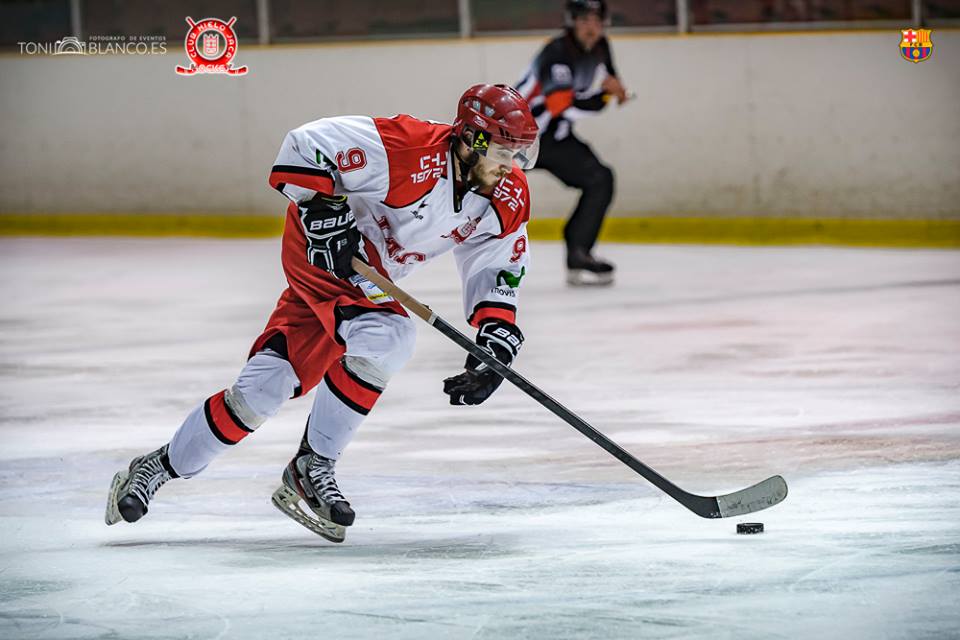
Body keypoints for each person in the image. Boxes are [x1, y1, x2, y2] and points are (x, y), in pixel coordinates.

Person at [105, 84, 538, 543]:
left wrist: (495, 340)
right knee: (388, 335)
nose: (510, 166)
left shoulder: (506, 195)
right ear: (470, 139)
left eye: (519, 154)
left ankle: (156, 466)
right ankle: (313, 466)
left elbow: (498, 267)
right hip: (321, 256)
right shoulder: (407, 147)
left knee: (261, 392)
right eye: (502, 151)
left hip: (360, 279)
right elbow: (307, 143)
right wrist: (324, 206)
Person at [515, 0, 629, 286]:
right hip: (518, 137)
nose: (591, 27)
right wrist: (605, 96)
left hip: (555, 138)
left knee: (600, 179)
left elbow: (611, 82)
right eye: (584, 20)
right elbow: (560, 106)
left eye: (596, 20)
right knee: (483, 192)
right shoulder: (556, 53)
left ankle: (579, 252)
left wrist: (616, 91)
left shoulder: (601, 47)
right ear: (572, 22)